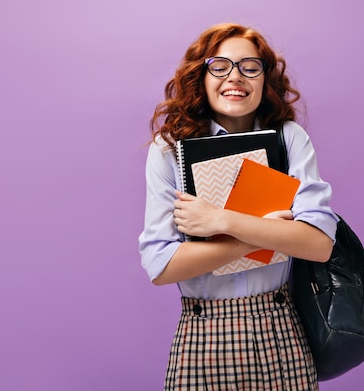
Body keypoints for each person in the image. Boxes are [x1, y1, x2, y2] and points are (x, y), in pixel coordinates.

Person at [139, 23, 338, 390]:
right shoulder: (169, 150)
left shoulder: (289, 138)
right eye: (220, 66)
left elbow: (319, 243)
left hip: (280, 332)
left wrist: (220, 220)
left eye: (250, 67)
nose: (235, 77)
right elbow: (161, 266)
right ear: (200, 76)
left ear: (265, 80)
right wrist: (271, 233)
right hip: (203, 337)